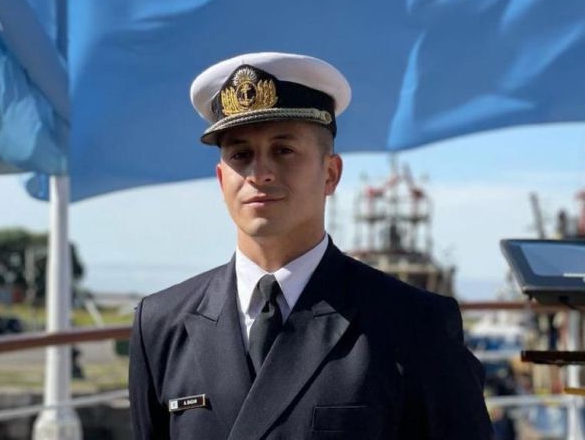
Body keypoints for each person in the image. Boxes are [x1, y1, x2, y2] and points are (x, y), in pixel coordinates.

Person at [128, 52, 492, 439]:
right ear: (222, 180)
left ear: (331, 174)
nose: (259, 173)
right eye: (241, 154)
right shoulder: (161, 325)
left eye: (283, 150)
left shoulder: (414, 324)